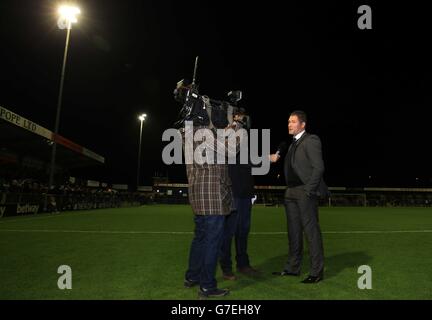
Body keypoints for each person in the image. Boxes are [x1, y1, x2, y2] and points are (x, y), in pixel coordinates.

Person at [180, 92, 245, 298]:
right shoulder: (203, 134)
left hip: (199, 194)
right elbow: (230, 148)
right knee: (212, 240)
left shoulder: (188, 132)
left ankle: (192, 276)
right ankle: (207, 286)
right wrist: (237, 125)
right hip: (212, 195)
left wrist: (228, 126)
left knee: (200, 236)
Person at [269, 110, 328, 283]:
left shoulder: (311, 140)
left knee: (311, 232)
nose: (289, 124)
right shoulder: (292, 143)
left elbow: (319, 168)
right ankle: (293, 268)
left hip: (304, 192)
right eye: (288, 121)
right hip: (290, 192)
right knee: (293, 233)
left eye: (293, 122)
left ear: (303, 124)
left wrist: (308, 190)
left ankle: (317, 272)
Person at [219, 110, 259, 280]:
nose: (241, 120)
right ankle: (226, 267)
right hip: (231, 191)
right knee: (229, 232)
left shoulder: (245, 138)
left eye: (242, 117)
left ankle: (243, 264)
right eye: (237, 117)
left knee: (243, 231)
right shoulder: (224, 136)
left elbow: (249, 161)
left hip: (245, 190)